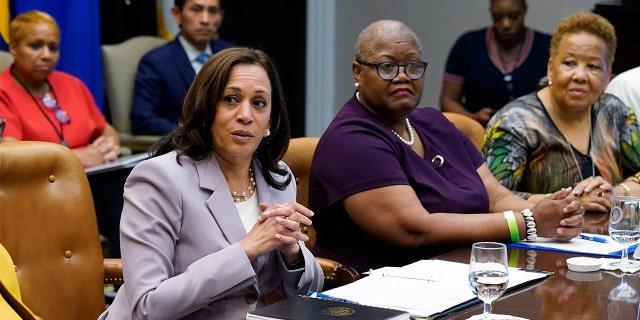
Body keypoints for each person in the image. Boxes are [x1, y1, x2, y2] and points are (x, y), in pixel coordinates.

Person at [308, 20, 584, 274]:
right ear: (359, 71)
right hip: (378, 291)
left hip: (459, 273)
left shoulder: (434, 122)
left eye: (413, 66)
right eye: (388, 67)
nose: (403, 76)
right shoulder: (352, 139)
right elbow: (414, 230)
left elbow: (496, 198)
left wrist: (556, 215)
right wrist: (529, 222)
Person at [100, 47, 323, 320]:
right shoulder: (159, 178)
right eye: (230, 99)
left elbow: (309, 291)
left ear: (270, 120)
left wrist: (291, 253)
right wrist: (246, 249)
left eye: (259, 103)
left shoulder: (277, 178)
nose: (246, 115)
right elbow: (148, 306)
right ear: (207, 108)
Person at [482, 12, 640, 214]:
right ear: (550, 68)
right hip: (538, 242)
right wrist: (570, 200)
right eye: (569, 63)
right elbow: (491, 199)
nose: (580, 75)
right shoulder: (514, 123)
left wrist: (617, 192)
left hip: (610, 239)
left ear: (607, 76)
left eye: (592, 66)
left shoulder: (615, 113)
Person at [0, 10, 126, 257]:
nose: (46, 55)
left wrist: (110, 144)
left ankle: (135, 279)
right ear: (13, 47)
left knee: (130, 187)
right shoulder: (3, 89)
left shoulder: (71, 84)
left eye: (53, 47)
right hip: (38, 191)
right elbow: (11, 153)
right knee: (119, 201)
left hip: (91, 182)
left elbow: (106, 129)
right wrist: (76, 157)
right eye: (36, 46)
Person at [130, 0, 234, 136]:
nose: (205, 20)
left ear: (220, 16)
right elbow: (142, 119)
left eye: (212, 11)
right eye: (196, 10)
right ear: (177, 14)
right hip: (184, 148)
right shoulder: (156, 61)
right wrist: (193, 134)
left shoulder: (232, 54)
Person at [440, 0, 550, 126]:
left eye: (513, 16)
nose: (506, 24)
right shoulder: (468, 45)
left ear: (524, 9)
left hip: (536, 135)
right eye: (498, 17)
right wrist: (473, 118)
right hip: (477, 134)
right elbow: (448, 101)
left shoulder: (547, 48)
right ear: (491, 11)